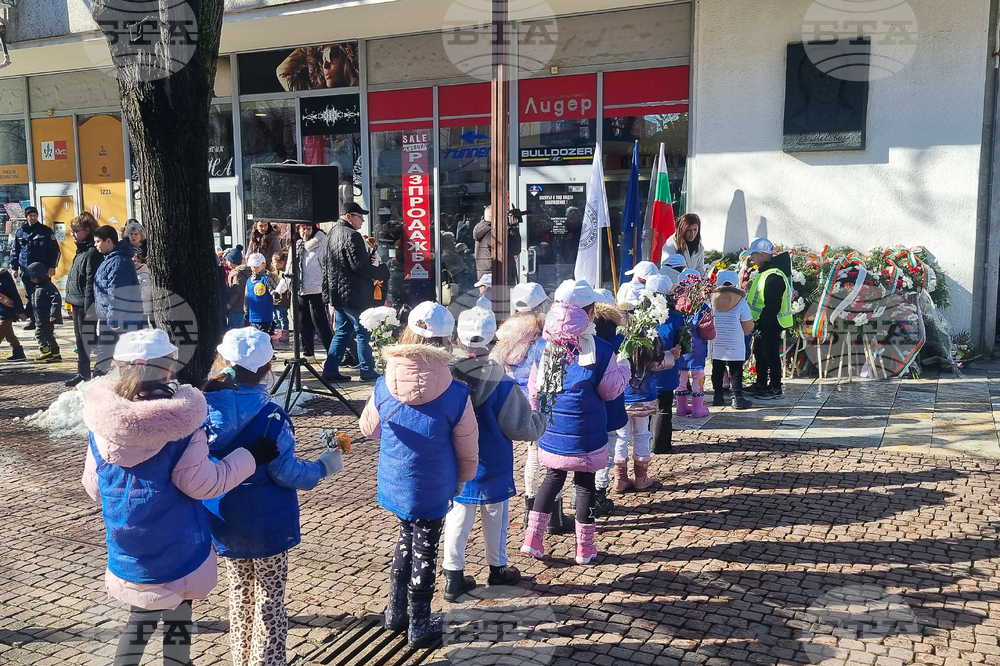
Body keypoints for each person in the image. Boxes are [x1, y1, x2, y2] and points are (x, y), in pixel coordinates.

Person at [81, 329, 278, 666]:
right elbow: (203, 484)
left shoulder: (102, 423)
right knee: (177, 621)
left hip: (130, 546)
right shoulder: (182, 425)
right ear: (170, 369)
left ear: (119, 367)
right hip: (178, 547)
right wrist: (250, 457)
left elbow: (95, 486)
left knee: (139, 620)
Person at [202, 328, 345, 666]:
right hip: (268, 522)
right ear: (268, 370)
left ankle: (242, 658)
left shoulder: (201, 411)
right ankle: (268, 662)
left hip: (222, 518)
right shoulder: (273, 418)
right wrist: (323, 467)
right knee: (270, 600)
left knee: (240, 594)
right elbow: (285, 473)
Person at [358, 301, 479, 647]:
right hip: (433, 486)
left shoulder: (384, 383)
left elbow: (369, 428)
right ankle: (419, 627)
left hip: (395, 481)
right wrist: (464, 477)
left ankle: (395, 614)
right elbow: (468, 447)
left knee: (405, 541)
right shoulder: (456, 393)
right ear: (446, 341)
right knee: (426, 549)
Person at [521, 280, 629, 565]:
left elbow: (534, 389)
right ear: (591, 311)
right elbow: (610, 390)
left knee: (552, 479)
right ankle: (584, 548)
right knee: (585, 485)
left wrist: (538, 419)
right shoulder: (601, 349)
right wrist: (625, 370)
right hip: (587, 433)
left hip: (553, 427)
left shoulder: (543, 345)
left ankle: (533, 538)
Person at [443, 306, 546, 601]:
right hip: (493, 464)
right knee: (495, 518)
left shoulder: (446, 379)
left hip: (456, 462)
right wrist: (540, 417)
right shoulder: (501, 383)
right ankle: (497, 569)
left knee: (457, 519)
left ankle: (452, 575)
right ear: (495, 342)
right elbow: (522, 427)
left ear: (458, 341)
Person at [613, 274, 676, 492]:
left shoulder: (614, 330)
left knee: (620, 436)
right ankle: (641, 478)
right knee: (641, 434)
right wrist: (671, 357)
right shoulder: (647, 330)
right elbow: (656, 363)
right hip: (642, 393)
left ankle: (619, 479)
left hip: (619, 394)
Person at [321, 202, 389, 382]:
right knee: (363, 332)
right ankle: (367, 371)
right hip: (353, 295)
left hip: (337, 294)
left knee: (342, 333)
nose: (362, 221)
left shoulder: (332, 234)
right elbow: (359, 267)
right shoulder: (352, 236)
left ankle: (330, 370)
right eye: (360, 217)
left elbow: (334, 265)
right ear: (349, 216)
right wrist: (381, 272)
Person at [591, 296, 628, 515]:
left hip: (590, 408)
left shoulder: (585, 344)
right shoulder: (618, 344)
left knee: (588, 451)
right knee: (608, 450)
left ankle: (582, 493)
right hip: (612, 405)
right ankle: (599, 494)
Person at [745, 237, 793, 400]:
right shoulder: (766, 273)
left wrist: (763, 324)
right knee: (759, 353)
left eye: (754, 255)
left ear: (763, 255)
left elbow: (772, 305)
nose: (752, 259)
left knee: (770, 354)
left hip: (772, 323)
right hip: (762, 322)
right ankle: (761, 384)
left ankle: (775, 387)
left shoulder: (774, 275)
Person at [93, 225, 140, 376]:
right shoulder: (111, 260)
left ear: (108, 241)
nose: (95, 245)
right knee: (106, 354)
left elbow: (118, 293)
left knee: (124, 356)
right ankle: (99, 379)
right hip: (112, 317)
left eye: (98, 241)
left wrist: (113, 318)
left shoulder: (118, 262)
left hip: (120, 319)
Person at [64, 213, 103, 385]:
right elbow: (74, 277)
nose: (72, 234)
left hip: (85, 303)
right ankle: (83, 372)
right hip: (76, 301)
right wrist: (69, 300)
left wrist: (89, 310)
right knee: (80, 338)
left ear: (87, 231)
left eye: (76, 231)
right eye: (71, 231)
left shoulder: (91, 253)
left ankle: (93, 371)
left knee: (87, 338)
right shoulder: (80, 250)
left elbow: (90, 283)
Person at [10, 205, 60, 331]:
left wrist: (51, 267)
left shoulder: (45, 231)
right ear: (26, 217)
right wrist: (14, 268)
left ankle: (45, 320)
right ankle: (33, 320)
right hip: (26, 270)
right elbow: (15, 250)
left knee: (43, 295)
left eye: (35, 215)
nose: (33, 217)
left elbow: (54, 250)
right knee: (29, 296)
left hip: (41, 271)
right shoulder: (21, 231)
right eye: (30, 215)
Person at [711, 270, 755, 410]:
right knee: (736, 370)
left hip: (716, 340)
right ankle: (737, 398)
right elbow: (747, 323)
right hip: (734, 340)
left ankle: (717, 396)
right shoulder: (740, 301)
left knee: (717, 368)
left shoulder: (712, 299)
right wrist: (747, 332)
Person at [676, 269, 716, 418]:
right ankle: (698, 408)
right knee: (698, 375)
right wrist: (712, 335)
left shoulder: (675, 302)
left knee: (681, 376)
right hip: (696, 346)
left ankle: (681, 407)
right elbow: (706, 328)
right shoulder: (701, 305)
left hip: (680, 345)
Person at [651, 282, 686, 455]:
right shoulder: (676, 317)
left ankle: (644, 442)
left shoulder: (640, 316)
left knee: (647, 407)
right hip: (667, 369)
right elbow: (684, 346)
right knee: (663, 408)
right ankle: (660, 445)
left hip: (645, 373)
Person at [294, 223, 333, 364]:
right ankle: (307, 352)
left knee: (320, 322)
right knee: (303, 323)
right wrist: (280, 289)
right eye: (303, 229)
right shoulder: (296, 246)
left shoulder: (319, 246)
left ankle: (332, 352)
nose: (305, 232)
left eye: (309, 228)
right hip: (300, 289)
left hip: (316, 290)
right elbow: (289, 269)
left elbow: (326, 268)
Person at [473, 206, 523, 284]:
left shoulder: (482, 230)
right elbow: (515, 249)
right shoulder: (494, 234)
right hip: (498, 279)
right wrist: (514, 228)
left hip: (486, 278)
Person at [24, 262, 63, 362]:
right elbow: (32, 303)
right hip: (39, 316)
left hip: (45, 317)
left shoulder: (48, 287)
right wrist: (27, 313)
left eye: (33, 277)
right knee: (49, 335)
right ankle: (55, 353)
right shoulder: (36, 288)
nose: (32, 280)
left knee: (39, 334)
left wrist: (54, 314)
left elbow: (56, 300)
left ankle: (45, 351)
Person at [245, 253, 277, 336]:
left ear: (263, 265)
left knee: (263, 336)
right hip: (253, 315)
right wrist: (246, 310)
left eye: (256, 266)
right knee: (254, 337)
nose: (254, 269)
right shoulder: (249, 281)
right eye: (252, 266)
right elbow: (246, 297)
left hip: (264, 315)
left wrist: (275, 294)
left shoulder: (267, 279)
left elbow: (273, 290)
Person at [0, 264, 26, 361]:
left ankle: (18, 352)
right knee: (8, 334)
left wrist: (20, 311)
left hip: (6, 312)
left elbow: (14, 295)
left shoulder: (4, 278)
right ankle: (18, 352)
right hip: (1, 312)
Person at [224, 246, 250, 330]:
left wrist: (230, 303)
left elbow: (237, 290)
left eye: (228, 261)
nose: (227, 263)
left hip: (237, 307)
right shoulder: (241, 272)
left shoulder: (237, 274)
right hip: (240, 306)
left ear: (232, 261)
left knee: (235, 328)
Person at [271, 251, 290, 343]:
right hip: (274, 301)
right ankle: (277, 333)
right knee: (275, 317)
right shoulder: (273, 273)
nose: (272, 264)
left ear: (281, 263)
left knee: (282, 317)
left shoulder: (284, 273)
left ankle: (284, 333)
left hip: (282, 301)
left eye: (274, 262)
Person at [133, 252, 152, 326]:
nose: (136, 263)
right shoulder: (131, 273)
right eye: (134, 261)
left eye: (138, 261)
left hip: (142, 307)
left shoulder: (144, 274)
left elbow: (146, 291)